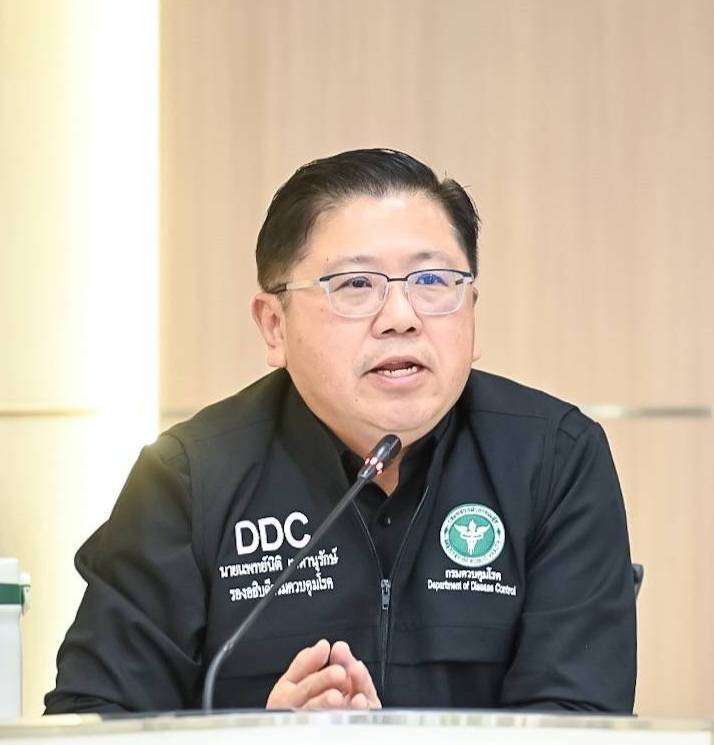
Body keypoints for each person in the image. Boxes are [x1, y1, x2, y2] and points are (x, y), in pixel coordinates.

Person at [45, 148, 636, 714]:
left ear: (472, 310)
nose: (401, 318)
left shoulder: (554, 459)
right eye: (356, 285)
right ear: (274, 326)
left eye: (433, 281)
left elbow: (579, 724)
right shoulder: (189, 477)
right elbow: (95, 722)